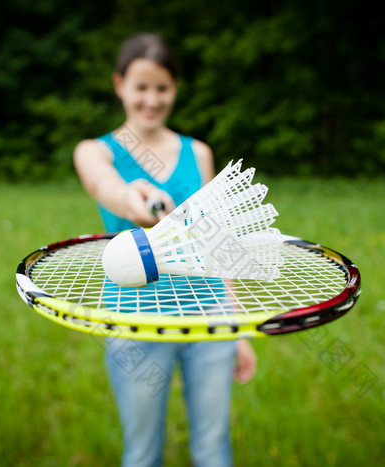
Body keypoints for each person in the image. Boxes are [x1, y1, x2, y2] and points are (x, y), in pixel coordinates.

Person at [73, 32, 257, 467]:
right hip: (134, 321)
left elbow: (217, 244)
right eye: (141, 87)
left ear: (175, 88)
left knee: (213, 451)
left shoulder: (200, 153)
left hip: (207, 316)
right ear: (119, 84)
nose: (151, 100)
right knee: (141, 454)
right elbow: (107, 186)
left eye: (162, 88)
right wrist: (131, 199)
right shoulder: (95, 152)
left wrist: (238, 329)